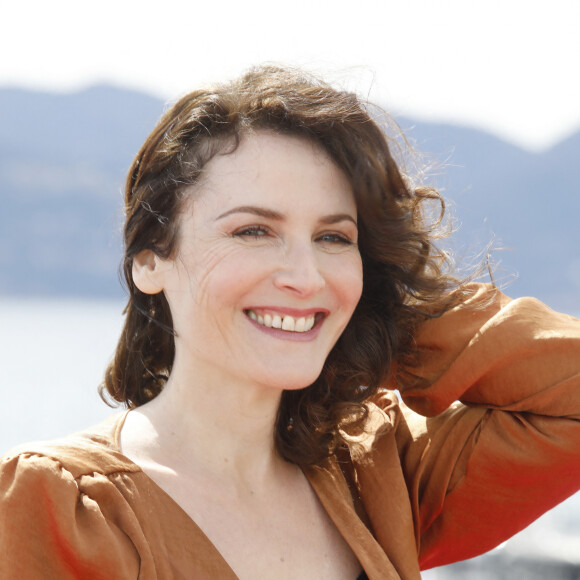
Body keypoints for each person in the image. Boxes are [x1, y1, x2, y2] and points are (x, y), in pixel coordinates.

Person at [0, 65, 578, 580]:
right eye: (253, 231)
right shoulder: (63, 507)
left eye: (333, 237)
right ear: (150, 259)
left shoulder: (377, 469)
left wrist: (376, 312)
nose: (305, 276)